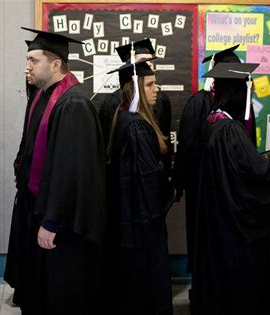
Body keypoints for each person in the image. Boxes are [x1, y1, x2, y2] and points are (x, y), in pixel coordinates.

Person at [191, 62, 270, 315]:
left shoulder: (214, 123)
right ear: (239, 91)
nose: (251, 94)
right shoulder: (230, 130)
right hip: (236, 228)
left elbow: (243, 167)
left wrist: (264, 159)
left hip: (219, 220)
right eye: (249, 89)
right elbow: (260, 174)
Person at [4, 27, 105, 315]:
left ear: (56, 64)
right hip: (36, 203)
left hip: (62, 219)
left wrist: (52, 221)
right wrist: (20, 169)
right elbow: (29, 142)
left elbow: (71, 171)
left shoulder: (73, 105)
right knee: (37, 286)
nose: (27, 66)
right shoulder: (41, 97)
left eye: (33, 60)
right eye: (27, 59)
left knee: (59, 290)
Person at [174, 44, 252, 278]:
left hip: (215, 189)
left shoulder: (226, 103)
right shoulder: (206, 103)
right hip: (211, 188)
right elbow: (187, 146)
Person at [106, 59, 173, 314]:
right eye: (150, 84)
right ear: (135, 89)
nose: (156, 89)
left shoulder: (125, 117)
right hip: (142, 222)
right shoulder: (135, 126)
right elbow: (147, 181)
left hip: (131, 217)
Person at [99, 39, 172, 149]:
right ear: (130, 65)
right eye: (143, 61)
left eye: (151, 61)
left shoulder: (161, 99)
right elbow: (107, 142)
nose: (149, 65)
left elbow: (165, 135)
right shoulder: (113, 102)